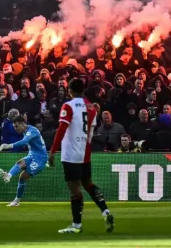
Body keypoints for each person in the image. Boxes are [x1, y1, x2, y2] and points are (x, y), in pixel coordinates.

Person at [48, 78, 114, 234]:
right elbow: (91, 131)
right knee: (88, 184)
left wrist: (52, 151)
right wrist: (85, 146)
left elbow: (62, 129)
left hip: (70, 154)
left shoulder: (68, 106)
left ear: (70, 90)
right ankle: (105, 211)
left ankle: (76, 225)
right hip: (84, 152)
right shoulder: (91, 107)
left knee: (75, 190)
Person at [0, 115, 48, 206]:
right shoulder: (26, 131)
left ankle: (16, 201)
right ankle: (8, 176)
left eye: (16, 126)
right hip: (32, 155)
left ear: (22, 124)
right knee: (19, 163)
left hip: (40, 158)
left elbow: (24, 141)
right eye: (14, 127)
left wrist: (8, 146)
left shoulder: (32, 131)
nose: (15, 129)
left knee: (22, 177)